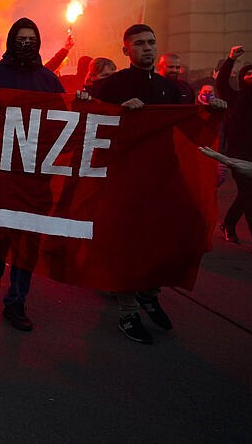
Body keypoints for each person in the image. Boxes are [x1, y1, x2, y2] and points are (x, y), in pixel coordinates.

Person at [95, 23, 227, 343]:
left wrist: (212, 113)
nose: (147, 48)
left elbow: (185, 126)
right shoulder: (113, 85)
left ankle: (149, 293)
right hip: (125, 179)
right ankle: (127, 313)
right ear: (126, 50)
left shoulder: (171, 87)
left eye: (151, 42)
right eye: (139, 43)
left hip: (163, 178)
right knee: (129, 246)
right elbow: (92, 122)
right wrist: (119, 112)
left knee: (167, 238)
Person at [0, 17, 69, 332]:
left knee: (30, 239)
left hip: (38, 171)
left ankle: (17, 301)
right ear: (12, 41)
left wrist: (81, 103)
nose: (26, 44)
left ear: (38, 43)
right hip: (4, 168)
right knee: (2, 233)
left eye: (32, 39)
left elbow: (64, 120)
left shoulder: (49, 80)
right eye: (21, 38)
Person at [214, 46, 252, 257]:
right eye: (248, 74)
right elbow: (221, 83)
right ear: (241, 78)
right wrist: (230, 59)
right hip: (239, 155)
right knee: (250, 196)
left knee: (247, 195)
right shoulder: (234, 97)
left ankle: (228, 223)